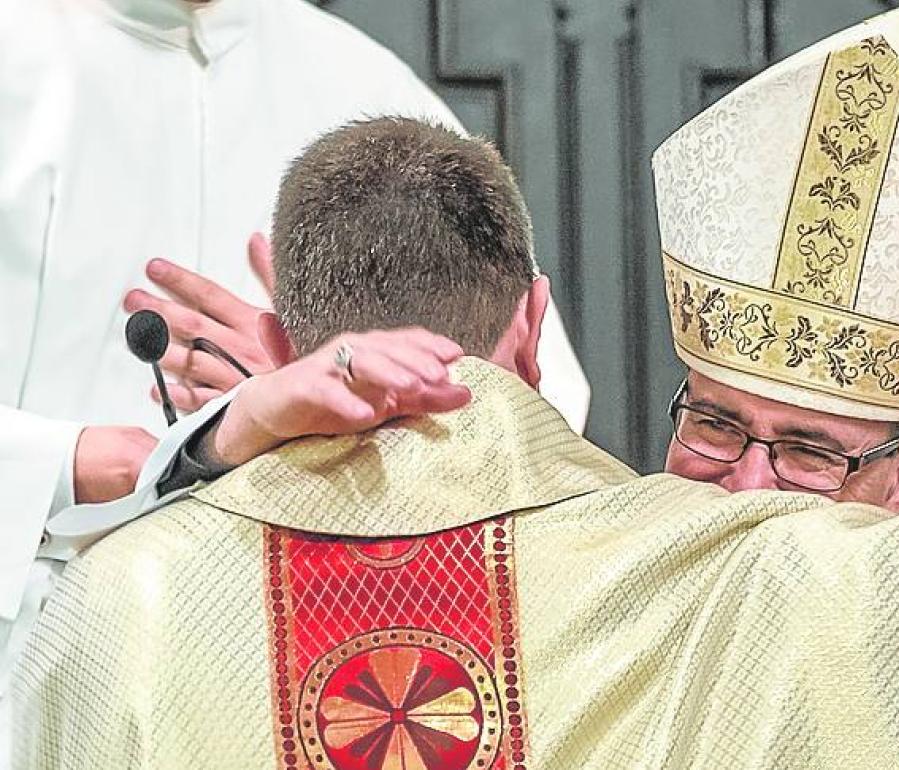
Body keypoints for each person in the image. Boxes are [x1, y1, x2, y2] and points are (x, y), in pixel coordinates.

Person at [18, 8, 899, 768]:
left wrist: (260, 466)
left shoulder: (123, 609)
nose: (749, 491)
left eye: (814, 452)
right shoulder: (751, 578)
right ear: (533, 323)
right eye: (719, 422)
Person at [0, 0, 589, 754]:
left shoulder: (372, 91)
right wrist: (85, 465)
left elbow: (535, 419)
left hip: (316, 697)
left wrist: (367, 406)